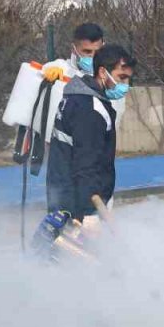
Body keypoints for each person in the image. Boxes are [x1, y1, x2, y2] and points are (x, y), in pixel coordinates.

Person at [45, 44, 134, 225]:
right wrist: (88, 214)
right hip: (76, 207)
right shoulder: (91, 110)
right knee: (71, 243)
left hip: (64, 198)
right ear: (102, 73)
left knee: (56, 241)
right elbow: (86, 165)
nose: (125, 85)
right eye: (121, 77)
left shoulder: (77, 97)